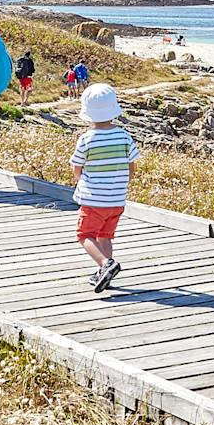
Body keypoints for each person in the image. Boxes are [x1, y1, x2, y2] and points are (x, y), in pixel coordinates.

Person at [71, 82, 138, 292]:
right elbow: (131, 166)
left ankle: (105, 264)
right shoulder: (124, 136)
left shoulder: (87, 139)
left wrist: (81, 181)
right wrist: (122, 184)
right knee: (105, 235)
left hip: (93, 201)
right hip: (116, 200)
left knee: (84, 235)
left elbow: (77, 167)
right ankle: (105, 273)